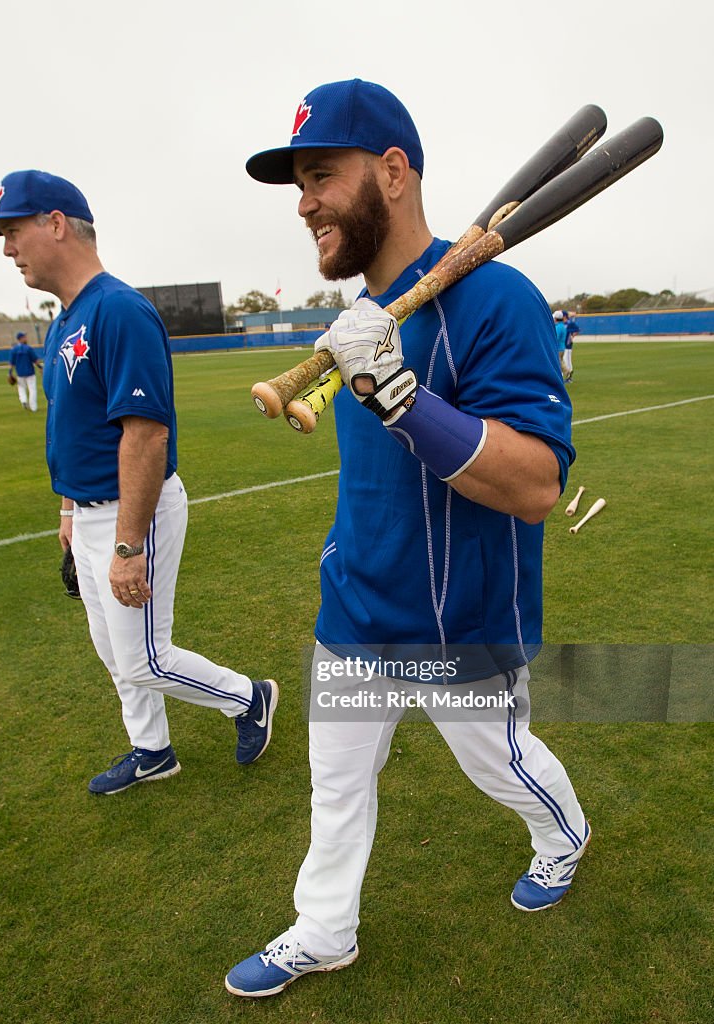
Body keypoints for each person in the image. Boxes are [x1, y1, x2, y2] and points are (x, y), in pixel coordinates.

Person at [225, 80, 589, 999]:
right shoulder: (360, 317)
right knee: (335, 790)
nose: (303, 200)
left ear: (391, 171)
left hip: (458, 619)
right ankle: (324, 928)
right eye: (296, 182)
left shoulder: (495, 300)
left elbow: (537, 485)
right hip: (357, 607)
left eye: (320, 174)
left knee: (499, 764)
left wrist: (400, 395)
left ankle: (563, 836)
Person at [0, 170, 278, 794]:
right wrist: (67, 511)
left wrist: (127, 545)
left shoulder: (119, 310)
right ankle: (152, 749)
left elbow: (145, 435)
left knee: (145, 656)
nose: (7, 248)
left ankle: (249, 698)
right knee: (114, 651)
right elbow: (71, 426)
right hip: (86, 512)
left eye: (12, 230)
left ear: (55, 224)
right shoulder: (63, 322)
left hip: (134, 512)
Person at [8, 330, 43, 411]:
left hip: (20, 373)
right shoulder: (28, 348)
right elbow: (35, 360)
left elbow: (11, 363)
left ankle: (23, 401)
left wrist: (9, 373)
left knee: (21, 388)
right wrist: (40, 367)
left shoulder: (14, 350)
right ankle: (33, 407)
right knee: (32, 389)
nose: (26, 338)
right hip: (30, 372)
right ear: (21, 338)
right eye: (24, 337)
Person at [563, 310, 580, 382]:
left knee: (567, 360)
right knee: (566, 360)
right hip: (563, 344)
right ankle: (569, 376)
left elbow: (577, 330)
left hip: (567, 344)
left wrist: (572, 337)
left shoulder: (569, 323)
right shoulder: (564, 323)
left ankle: (569, 377)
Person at [553, 309, 568, 379]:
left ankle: (567, 372)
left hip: (558, 348)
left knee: (558, 363)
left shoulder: (558, 327)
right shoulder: (563, 326)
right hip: (562, 347)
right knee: (560, 361)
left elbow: (556, 337)